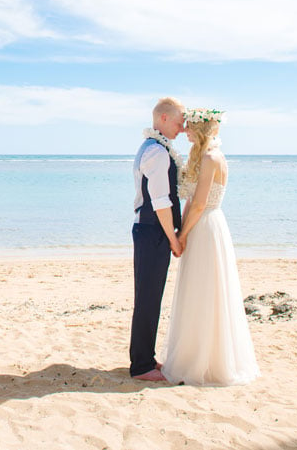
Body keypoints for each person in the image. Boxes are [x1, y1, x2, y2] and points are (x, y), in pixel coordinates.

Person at [160, 109, 259, 386]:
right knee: (197, 289)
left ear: (202, 130)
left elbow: (201, 203)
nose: (186, 131)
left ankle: (207, 360)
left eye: (190, 127)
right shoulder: (202, 156)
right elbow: (192, 201)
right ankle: (193, 353)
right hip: (200, 224)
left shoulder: (212, 158)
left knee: (207, 290)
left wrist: (182, 234)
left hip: (207, 226)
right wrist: (180, 233)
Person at [129, 97, 186, 381]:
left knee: (151, 296)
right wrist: (173, 239)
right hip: (152, 230)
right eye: (179, 121)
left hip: (152, 230)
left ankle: (146, 358)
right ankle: (141, 366)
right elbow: (160, 201)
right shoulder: (156, 152)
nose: (183, 127)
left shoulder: (155, 148)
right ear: (163, 119)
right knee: (148, 297)